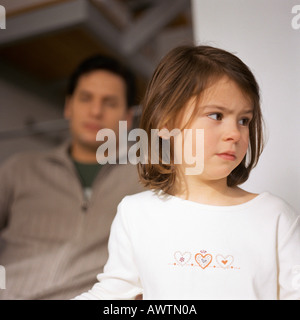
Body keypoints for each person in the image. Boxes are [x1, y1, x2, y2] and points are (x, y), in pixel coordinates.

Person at [74, 45, 300, 300]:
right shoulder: (135, 213)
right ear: (165, 122)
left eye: (244, 120)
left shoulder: (276, 217)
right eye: (216, 115)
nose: (235, 133)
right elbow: (112, 295)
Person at [0, 54, 145, 299]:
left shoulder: (147, 177)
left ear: (128, 117)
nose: (95, 111)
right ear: (69, 106)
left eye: (109, 103)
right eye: (86, 98)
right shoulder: (19, 169)